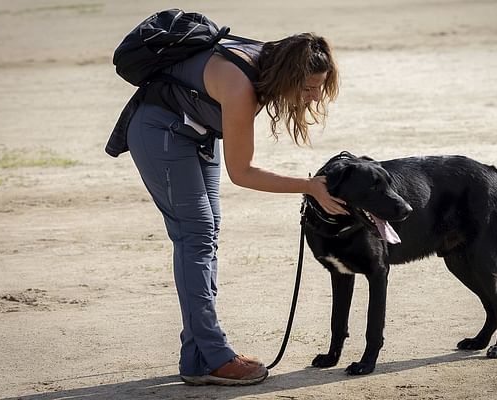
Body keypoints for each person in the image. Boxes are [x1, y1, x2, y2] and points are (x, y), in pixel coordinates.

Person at [125, 32, 347, 386]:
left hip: (197, 133)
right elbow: (242, 173)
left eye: (319, 87)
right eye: (307, 87)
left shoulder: (268, 61)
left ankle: (197, 358)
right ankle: (215, 356)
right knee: (195, 236)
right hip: (160, 132)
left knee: (206, 235)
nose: (315, 96)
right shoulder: (241, 87)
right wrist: (308, 187)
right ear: (288, 75)